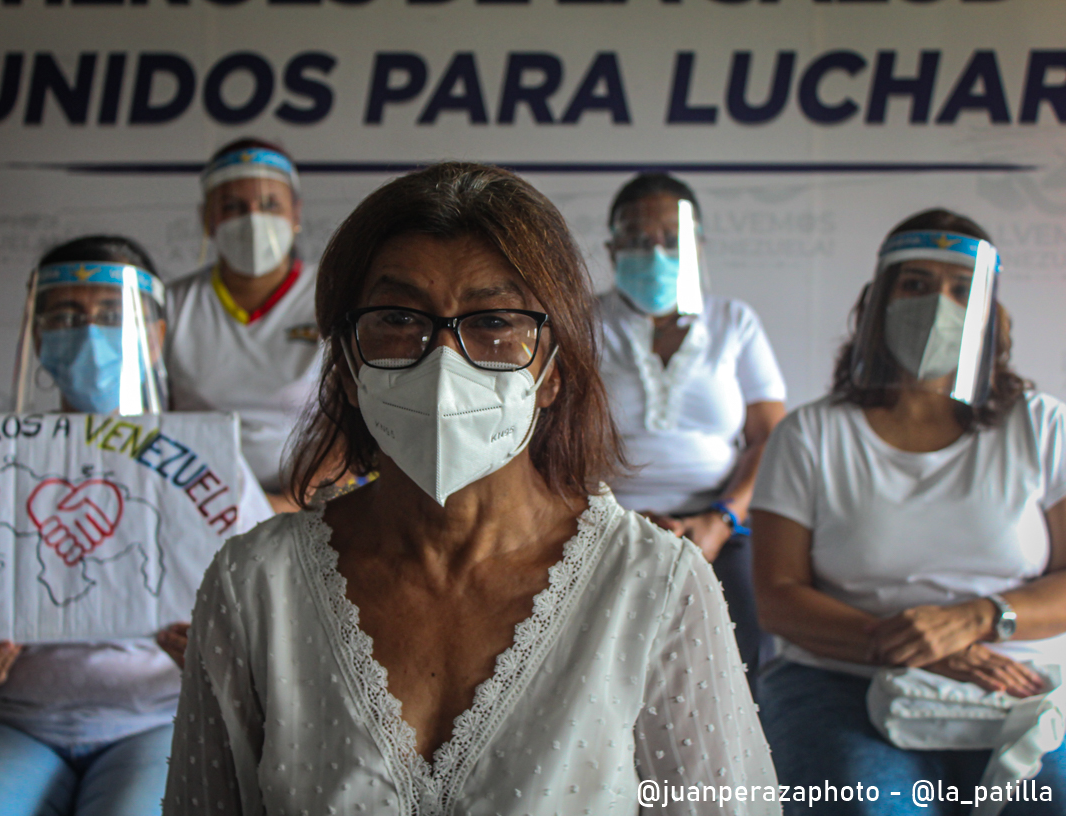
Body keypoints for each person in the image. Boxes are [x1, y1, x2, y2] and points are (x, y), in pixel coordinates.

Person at [162, 163, 778, 815]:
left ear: (553, 371)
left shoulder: (654, 588)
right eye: (398, 317)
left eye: (493, 322)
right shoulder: (255, 585)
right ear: (343, 363)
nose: (443, 362)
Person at [0, 236, 272, 816]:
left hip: (160, 722)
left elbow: (260, 633)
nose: (89, 334)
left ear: (155, 336)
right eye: (65, 316)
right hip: (9, 720)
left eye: (111, 315)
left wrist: (214, 659)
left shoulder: (207, 465)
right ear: (37, 337)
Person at [751, 209, 1066, 814]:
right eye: (915, 284)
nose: (938, 306)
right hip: (841, 679)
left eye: (960, 289)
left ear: (990, 314)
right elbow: (778, 596)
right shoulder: (810, 435)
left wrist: (977, 618)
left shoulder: (1041, 426)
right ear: (878, 302)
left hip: (1014, 682)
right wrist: (911, 644)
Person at [597, 173, 786, 686]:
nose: (655, 253)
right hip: (603, 527)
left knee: (736, 673)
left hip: (723, 527)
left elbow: (771, 438)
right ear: (613, 250)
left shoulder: (734, 322)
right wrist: (614, 522)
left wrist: (719, 520)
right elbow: (552, 438)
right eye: (638, 240)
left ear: (697, 247)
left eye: (672, 239)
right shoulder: (582, 323)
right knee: (605, 678)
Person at [165, 138, 322, 512]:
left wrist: (284, 505)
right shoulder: (169, 306)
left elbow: (357, 421)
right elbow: (149, 420)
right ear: (208, 218)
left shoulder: (336, 294)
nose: (253, 219)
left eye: (270, 204)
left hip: (309, 508)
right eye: (233, 207)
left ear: (296, 213)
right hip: (192, 509)